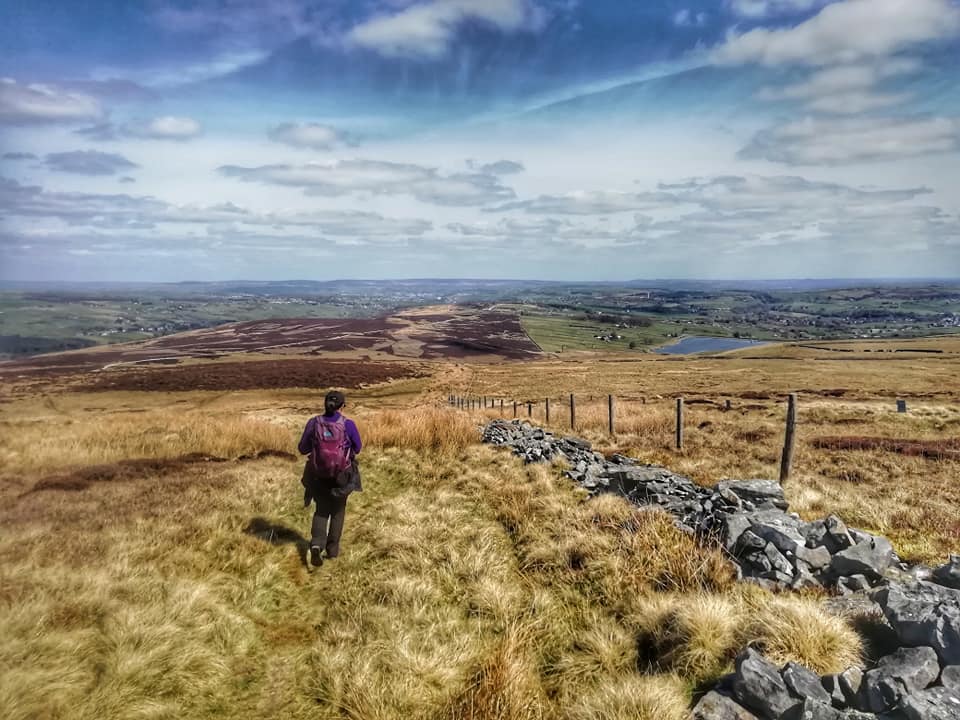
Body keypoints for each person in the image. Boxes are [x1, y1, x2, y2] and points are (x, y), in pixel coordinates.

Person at [298, 390, 362, 567]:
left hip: (318, 475)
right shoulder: (348, 424)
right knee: (338, 510)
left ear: (325, 404)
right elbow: (358, 447)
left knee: (321, 509)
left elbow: (302, 449)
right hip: (342, 475)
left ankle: (317, 544)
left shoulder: (314, 423)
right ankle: (332, 551)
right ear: (342, 406)